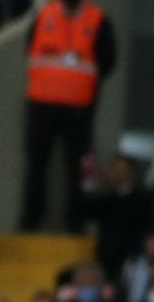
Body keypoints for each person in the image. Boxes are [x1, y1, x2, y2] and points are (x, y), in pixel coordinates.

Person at [20, 0, 117, 233]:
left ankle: (76, 221)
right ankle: (31, 220)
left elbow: (108, 61)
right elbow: (30, 49)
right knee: (37, 163)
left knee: (78, 167)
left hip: (79, 106)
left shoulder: (97, 19)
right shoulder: (44, 15)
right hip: (42, 103)